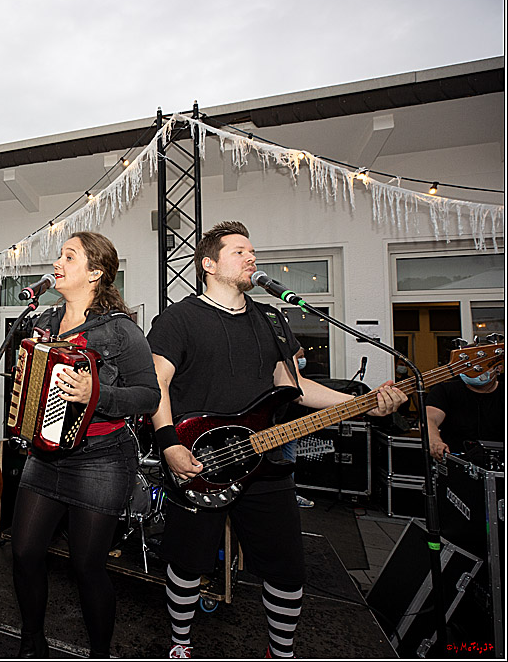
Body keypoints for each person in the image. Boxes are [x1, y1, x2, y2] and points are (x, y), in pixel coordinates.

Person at [146, 221, 406, 659]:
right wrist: (170, 443)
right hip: (198, 457)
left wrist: (361, 401)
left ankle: (280, 653)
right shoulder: (178, 318)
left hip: (264, 461)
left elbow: (293, 386)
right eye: (239, 251)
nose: (251, 257)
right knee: (188, 563)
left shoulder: (271, 318)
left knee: (287, 568)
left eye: (253, 251)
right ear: (209, 264)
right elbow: (158, 383)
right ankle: (180, 643)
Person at [11, 231, 160, 658]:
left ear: (95, 273)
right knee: (23, 552)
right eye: (60, 255)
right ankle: (32, 642)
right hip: (45, 454)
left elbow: (149, 396)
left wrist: (96, 394)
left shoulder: (121, 332)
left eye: (69, 257)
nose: (58, 262)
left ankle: (100, 651)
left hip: (101, 460)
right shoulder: (43, 324)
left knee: (87, 565)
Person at [425, 357, 504, 461]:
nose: (473, 371)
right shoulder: (445, 390)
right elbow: (429, 418)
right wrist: (434, 441)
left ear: (498, 368)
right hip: (456, 460)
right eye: (468, 366)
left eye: (479, 367)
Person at [280, 348, 315, 509]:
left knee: (290, 462)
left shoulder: (299, 377)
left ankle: (289, 495)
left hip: (293, 427)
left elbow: (305, 393)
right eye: (299, 357)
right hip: (277, 427)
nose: (302, 360)